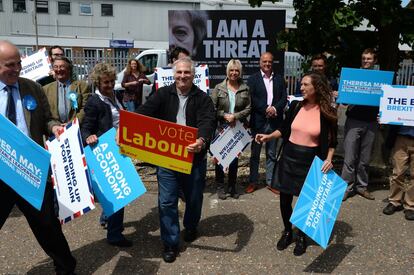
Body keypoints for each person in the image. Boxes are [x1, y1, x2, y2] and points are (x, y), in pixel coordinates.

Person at [0, 40, 76, 274]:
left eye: (18, 64)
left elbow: (47, 119)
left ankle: (65, 267)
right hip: (1, 174)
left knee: (48, 226)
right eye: (9, 65)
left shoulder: (32, 88)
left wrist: (54, 128)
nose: (16, 69)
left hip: (30, 170)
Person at [136, 57, 215, 263]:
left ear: (193, 75)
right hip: (167, 158)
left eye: (186, 73)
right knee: (167, 201)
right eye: (179, 72)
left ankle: (190, 226)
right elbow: (143, 114)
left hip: (194, 158)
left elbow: (208, 121)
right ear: (174, 74)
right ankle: (170, 243)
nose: (182, 76)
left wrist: (202, 140)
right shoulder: (162, 94)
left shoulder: (203, 98)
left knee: (194, 197)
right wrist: (128, 129)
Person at [256, 72, 337, 256]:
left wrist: (329, 159)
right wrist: (268, 136)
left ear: (315, 87)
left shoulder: (327, 112)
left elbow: (332, 143)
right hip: (289, 156)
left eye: (305, 84)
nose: (301, 88)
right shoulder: (295, 106)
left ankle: (301, 236)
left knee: (306, 201)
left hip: (310, 159)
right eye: (301, 84)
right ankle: (287, 231)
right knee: (285, 199)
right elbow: (284, 130)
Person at [81, 63, 132, 247]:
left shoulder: (116, 96)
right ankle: (115, 235)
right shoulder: (94, 102)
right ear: (97, 82)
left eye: (111, 81)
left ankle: (107, 218)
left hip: (120, 148)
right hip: (106, 151)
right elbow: (85, 127)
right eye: (105, 82)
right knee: (120, 193)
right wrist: (89, 136)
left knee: (116, 192)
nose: (109, 85)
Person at [246, 52, 287, 194]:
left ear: (272, 62)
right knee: (255, 155)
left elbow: (283, 99)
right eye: (264, 62)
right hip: (259, 122)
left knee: (272, 154)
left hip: (275, 122)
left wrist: (275, 108)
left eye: (269, 61)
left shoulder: (280, 79)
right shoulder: (253, 79)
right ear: (260, 62)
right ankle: (253, 182)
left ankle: (270, 182)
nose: (267, 64)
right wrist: (266, 109)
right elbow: (251, 98)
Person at [210, 59, 250, 200]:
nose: (234, 73)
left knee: (234, 159)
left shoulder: (245, 88)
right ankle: (220, 186)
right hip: (222, 127)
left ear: (240, 72)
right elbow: (212, 109)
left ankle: (232, 186)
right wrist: (224, 115)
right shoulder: (218, 88)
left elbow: (249, 108)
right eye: (231, 70)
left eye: (236, 70)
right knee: (220, 158)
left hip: (237, 127)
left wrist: (236, 116)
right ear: (227, 71)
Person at [342, 48, 378, 201]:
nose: (366, 61)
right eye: (364, 58)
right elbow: (343, 100)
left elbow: (386, 99)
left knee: (364, 159)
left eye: (369, 59)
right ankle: (346, 187)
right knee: (349, 157)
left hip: (371, 123)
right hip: (354, 121)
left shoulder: (380, 79)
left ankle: (362, 187)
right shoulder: (353, 77)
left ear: (374, 61)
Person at [43, 56, 90, 124]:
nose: (58, 69)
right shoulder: (46, 89)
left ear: (69, 69)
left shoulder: (82, 86)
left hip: (76, 128)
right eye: (56, 67)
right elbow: (46, 113)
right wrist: (55, 126)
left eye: (62, 66)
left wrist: (71, 124)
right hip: (56, 130)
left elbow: (85, 108)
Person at [382, 125, 414, 220]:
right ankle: (394, 201)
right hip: (401, 137)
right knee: (397, 172)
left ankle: (411, 205)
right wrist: (383, 117)